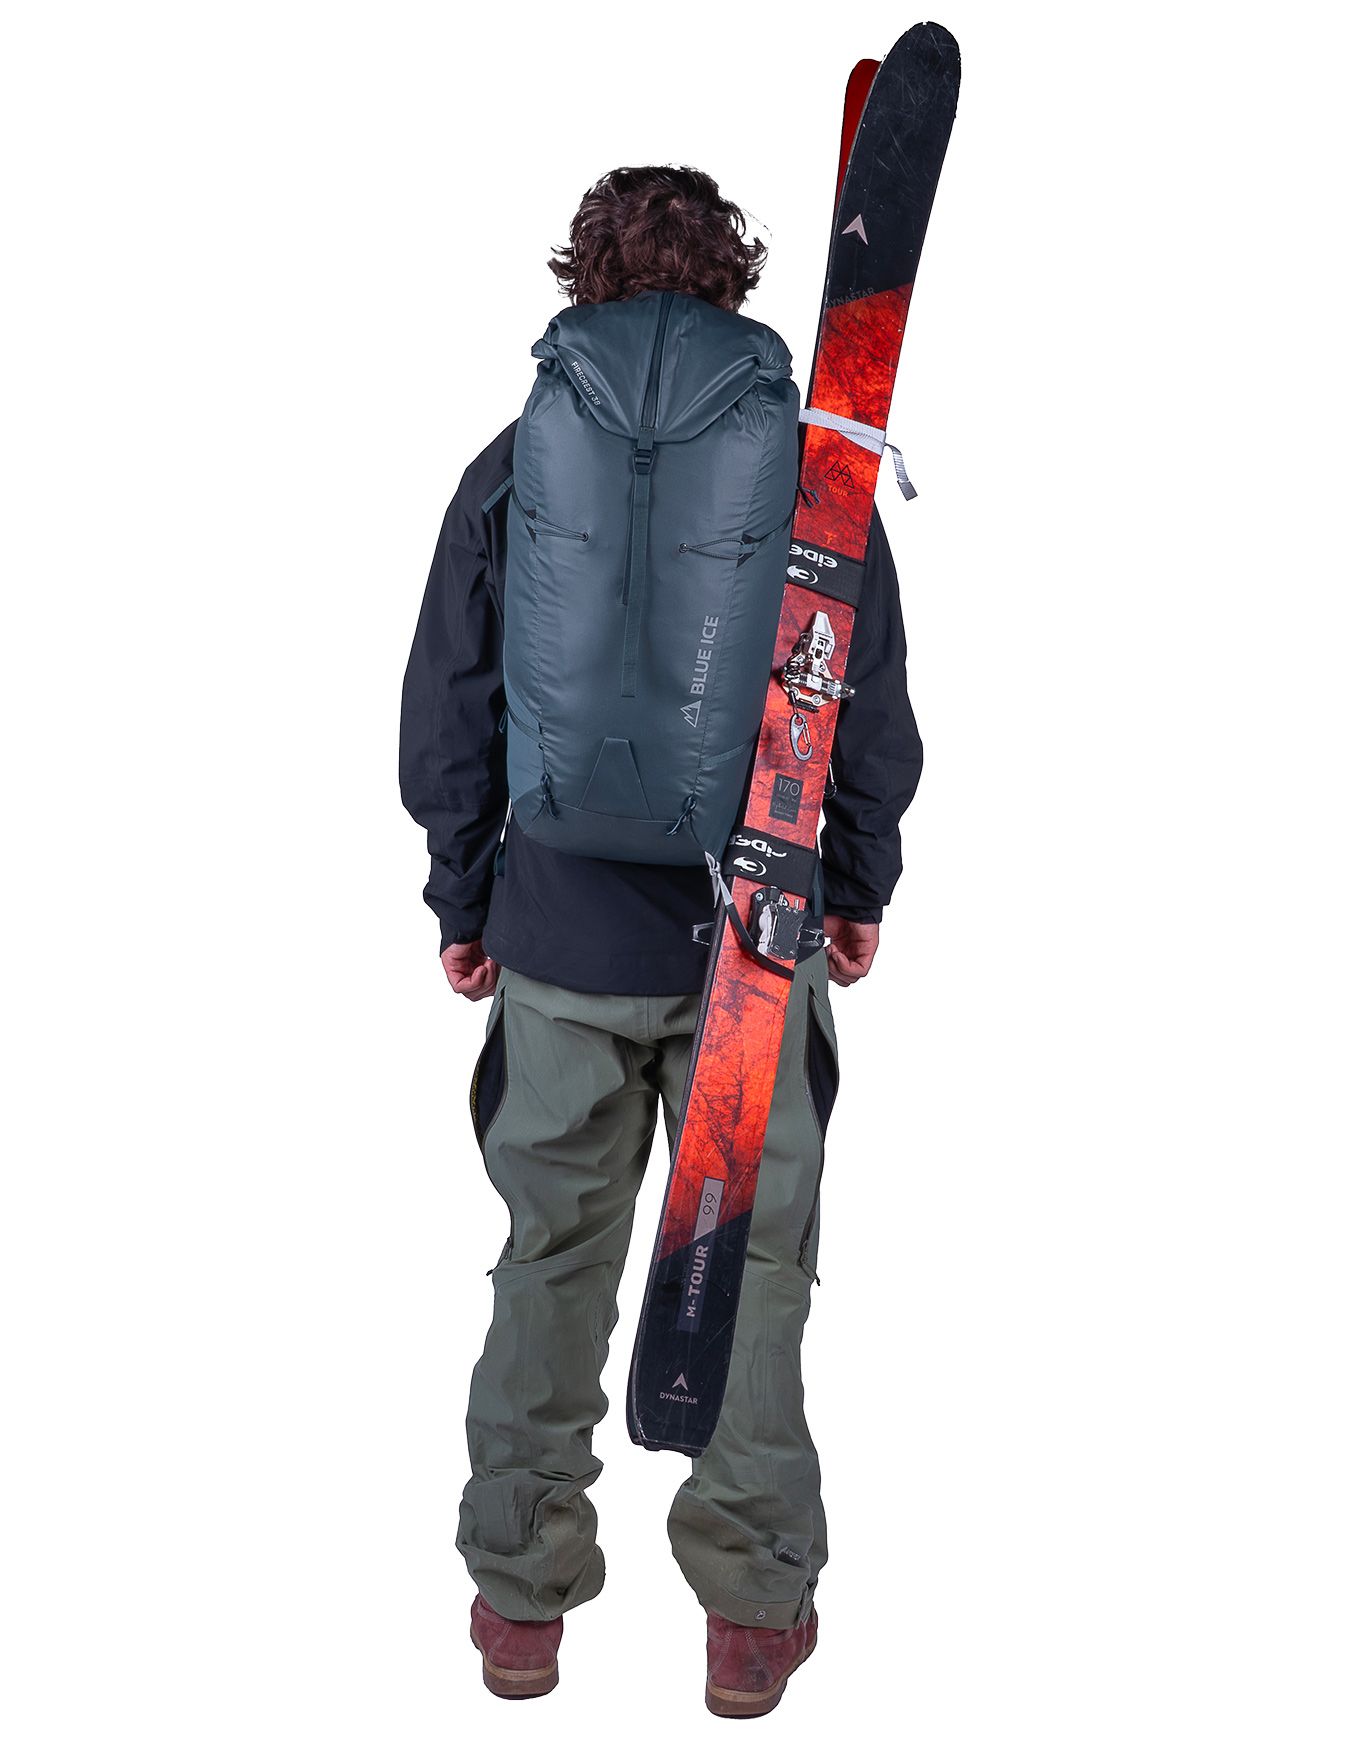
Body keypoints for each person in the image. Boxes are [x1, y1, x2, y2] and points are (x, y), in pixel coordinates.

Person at [400, 165, 923, 1718]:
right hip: (749, 936)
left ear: (587, 279)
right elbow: (859, 690)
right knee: (750, 1267)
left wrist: (464, 897)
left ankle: (520, 1604)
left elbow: (450, 695)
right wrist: (856, 882)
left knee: (549, 1259)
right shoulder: (809, 469)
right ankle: (751, 1620)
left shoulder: (517, 459)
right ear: (732, 284)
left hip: (556, 933)